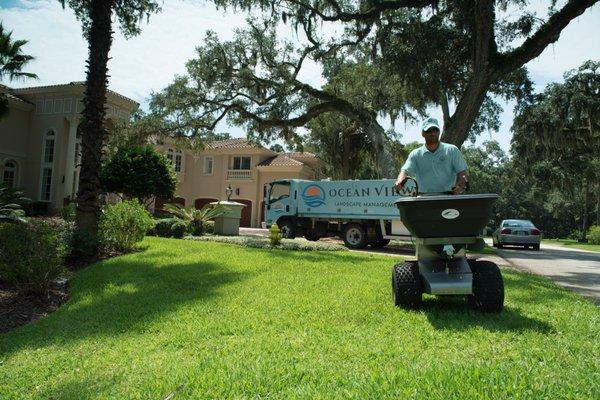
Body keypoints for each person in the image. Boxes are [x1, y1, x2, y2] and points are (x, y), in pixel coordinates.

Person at [395, 117, 468, 195]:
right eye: (429, 131)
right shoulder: (415, 154)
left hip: (448, 197)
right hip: (423, 198)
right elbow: (405, 171)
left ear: (439, 132)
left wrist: (459, 186)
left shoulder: (452, 150)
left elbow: (463, 174)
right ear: (423, 134)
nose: (432, 133)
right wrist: (400, 180)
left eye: (435, 130)